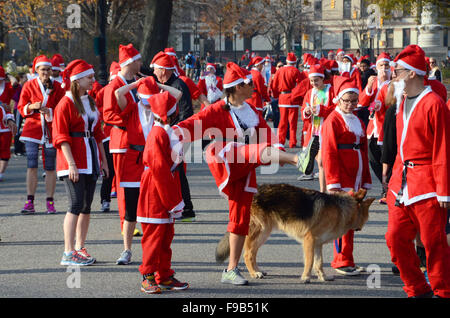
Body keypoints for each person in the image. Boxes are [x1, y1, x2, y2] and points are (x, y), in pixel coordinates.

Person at [174, 62, 305, 285]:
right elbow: (189, 125)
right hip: (226, 159)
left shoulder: (252, 111)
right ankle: (298, 160)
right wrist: (166, 134)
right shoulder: (216, 110)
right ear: (236, 88)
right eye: (249, 83)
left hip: (245, 166)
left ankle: (231, 269)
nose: (254, 86)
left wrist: (277, 151)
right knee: (247, 151)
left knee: (241, 218)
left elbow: (267, 135)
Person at [385, 45, 450, 298]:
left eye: (398, 71)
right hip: (401, 184)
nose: (394, 75)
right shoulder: (401, 102)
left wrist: (444, 190)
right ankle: (416, 287)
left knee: (434, 244)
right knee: (395, 238)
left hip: (428, 184)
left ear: (412, 73)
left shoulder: (434, 103)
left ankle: (443, 291)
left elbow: (443, 148)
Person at [113, 75, 182, 266]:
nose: (147, 104)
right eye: (144, 101)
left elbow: (178, 94)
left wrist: (155, 84)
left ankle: (156, 253)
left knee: (156, 211)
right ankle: (127, 249)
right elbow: (118, 92)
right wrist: (137, 85)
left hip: (154, 164)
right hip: (134, 163)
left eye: (149, 101)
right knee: (130, 210)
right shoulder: (131, 108)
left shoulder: (160, 111)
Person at [53, 59, 109, 266]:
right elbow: (60, 137)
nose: (93, 80)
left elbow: (98, 133)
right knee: (75, 204)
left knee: (86, 206)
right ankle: (67, 252)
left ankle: (80, 247)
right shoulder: (65, 103)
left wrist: (103, 161)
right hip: (73, 160)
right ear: (77, 81)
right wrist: (71, 165)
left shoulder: (90, 100)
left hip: (91, 157)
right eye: (89, 77)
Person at [137, 91, 189, 294]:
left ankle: (164, 275)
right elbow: (159, 169)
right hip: (155, 193)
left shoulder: (164, 131)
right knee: (154, 236)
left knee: (166, 235)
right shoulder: (158, 134)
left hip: (163, 188)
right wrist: (173, 201)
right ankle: (147, 276)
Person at [321, 75, 372, 276]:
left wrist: (366, 178)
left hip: (357, 174)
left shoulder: (358, 120)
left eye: (354, 101)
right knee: (342, 220)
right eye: (346, 101)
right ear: (338, 100)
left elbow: (364, 150)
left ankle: (348, 258)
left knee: (353, 218)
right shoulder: (332, 120)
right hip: (342, 177)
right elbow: (329, 153)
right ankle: (341, 260)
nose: (351, 104)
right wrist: (333, 183)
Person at [151, 51, 196, 222]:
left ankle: (186, 208)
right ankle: (182, 207)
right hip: (170, 133)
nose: (154, 72)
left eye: (156, 69)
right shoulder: (169, 84)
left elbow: (186, 113)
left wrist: (174, 132)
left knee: (177, 171)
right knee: (174, 171)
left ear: (163, 70)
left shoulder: (178, 85)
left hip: (176, 134)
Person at [17, 55, 65, 214]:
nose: (46, 72)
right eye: (43, 69)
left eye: (48, 69)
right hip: (32, 129)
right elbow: (21, 107)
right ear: (36, 70)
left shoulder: (58, 86)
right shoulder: (29, 85)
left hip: (51, 129)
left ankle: (50, 202)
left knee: (50, 167)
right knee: (32, 165)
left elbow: (62, 108)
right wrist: (32, 107)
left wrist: (49, 111)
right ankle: (29, 201)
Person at [103, 43, 142, 235]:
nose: (141, 63)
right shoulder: (114, 86)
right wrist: (131, 122)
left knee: (137, 184)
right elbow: (108, 115)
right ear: (130, 62)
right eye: (138, 60)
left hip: (138, 142)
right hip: (122, 142)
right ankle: (124, 223)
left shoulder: (137, 81)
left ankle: (133, 220)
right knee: (123, 185)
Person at [358, 52, 392, 201]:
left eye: (386, 65)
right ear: (376, 67)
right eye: (381, 65)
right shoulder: (374, 82)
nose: (384, 69)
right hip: (373, 128)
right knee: (373, 159)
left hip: (388, 127)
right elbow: (362, 102)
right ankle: (386, 185)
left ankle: (388, 189)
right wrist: (369, 87)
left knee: (388, 159)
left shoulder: (395, 82)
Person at [299, 64, 335, 188]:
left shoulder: (331, 90)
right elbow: (304, 108)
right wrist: (307, 112)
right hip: (314, 131)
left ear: (322, 78)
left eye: (316, 80)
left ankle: (324, 190)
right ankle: (324, 190)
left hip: (327, 131)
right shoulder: (310, 92)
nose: (314, 83)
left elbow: (335, 110)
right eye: (312, 81)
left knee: (322, 162)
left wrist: (321, 110)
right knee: (320, 162)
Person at [96, 61, 120, 213]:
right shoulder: (104, 91)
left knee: (124, 171)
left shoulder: (130, 90)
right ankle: (105, 199)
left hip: (125, 136)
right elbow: (97, 110)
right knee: (109, 170)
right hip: (108, 136)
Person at [270, 52, 305, 148]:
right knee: (293, 122)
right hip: (292, 98)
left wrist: (277, 95)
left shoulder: (280, 70)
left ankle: (280, 141)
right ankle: (292, 141)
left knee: (282, 122)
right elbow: (301, 85)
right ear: (294, 62)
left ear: (286, 61)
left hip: (282, 98)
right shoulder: (295, 71)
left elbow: (274, 85)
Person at [0, 66, 17, 181]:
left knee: (5, 149)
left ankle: (1, 173)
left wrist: (8, 75)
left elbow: (15, 83)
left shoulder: (7, 87)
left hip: (6, 121)